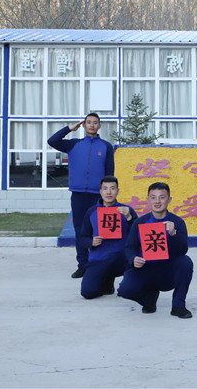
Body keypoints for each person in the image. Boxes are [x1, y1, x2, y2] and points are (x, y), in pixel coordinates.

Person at [47, 113, 115, 279]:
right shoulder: (73, 144)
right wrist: (69, 129)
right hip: (78, 195)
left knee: (100, 230)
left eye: (95, 122)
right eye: (88, 122)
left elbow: (109, 173)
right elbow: (52, 141)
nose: (92, 125)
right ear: (83, 125)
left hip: (97, 196)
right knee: (80, 230)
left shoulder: (106, 146)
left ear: (99, 126)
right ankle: (83, 265)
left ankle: (100, 264)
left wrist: (108, 195)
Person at [117, 182, 194, 319]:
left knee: (186, 262)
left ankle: (178, 306)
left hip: (167, 272)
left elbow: (182, 250)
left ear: (169, 200)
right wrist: (133, 259)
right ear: (148, 200)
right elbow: (130, 247)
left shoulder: (177, 222)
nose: (157, 201)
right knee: (124, 290)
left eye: (162, 197)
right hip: (146, 268)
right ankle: (149, 300)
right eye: (153, 197)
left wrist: (173, 234)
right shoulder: (140, 222)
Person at [78, 176, 138, 299]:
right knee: (87, 292)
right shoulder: (91, 212)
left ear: (118, 191)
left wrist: (129, 218)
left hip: (122, 257)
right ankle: (106, 280)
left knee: (129, 290)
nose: (109, 192)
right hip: (99, 258)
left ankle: (126, 284)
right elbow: (82, 237)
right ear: (100, 191)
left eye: (112, 188)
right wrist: (91, 242)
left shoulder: (127, 210)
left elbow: (138, 234)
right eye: (105, 189)